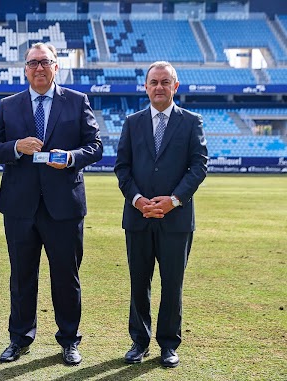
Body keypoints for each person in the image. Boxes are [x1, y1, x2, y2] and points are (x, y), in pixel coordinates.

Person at [0, 42, 103, 366]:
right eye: (33, 62)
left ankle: (69, 340)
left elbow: (96, 146)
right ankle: (19, 339)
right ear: (25, 68)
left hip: (63, 207)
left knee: (66, 277)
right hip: (20, 207)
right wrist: (16, 146)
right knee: (21, 277)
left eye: (45, 62)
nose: (39, 68)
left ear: (56, 67)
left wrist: (72, 158)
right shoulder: (9, 105)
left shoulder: (77, 102)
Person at [114, 61, 208, 368]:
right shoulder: (132, 122)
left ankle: (168, 344)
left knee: (172, 283)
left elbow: (199, 167)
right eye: (153, 82)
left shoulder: (192, 122)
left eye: (165, 82)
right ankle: (139, 341)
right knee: (139, 282)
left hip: (176, 220)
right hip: (138, 218)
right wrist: (139, 201)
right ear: (145, 86)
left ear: (175, 86)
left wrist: (175, 200)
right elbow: (123, 169)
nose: (159, 87)